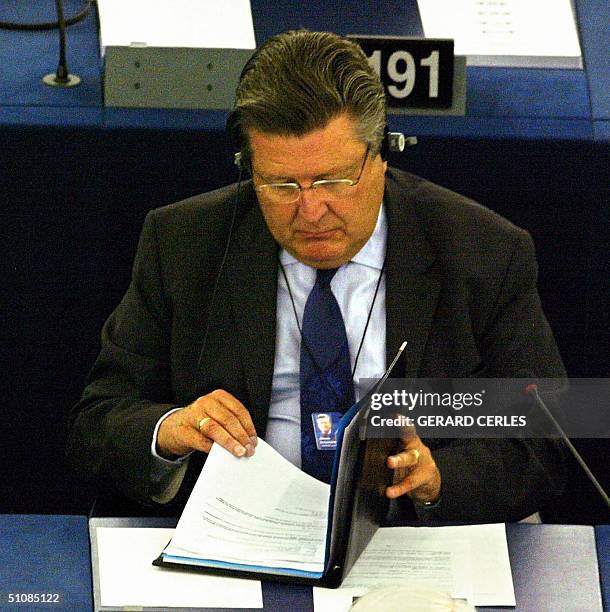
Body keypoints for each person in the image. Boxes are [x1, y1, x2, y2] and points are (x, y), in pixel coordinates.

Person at [67, 30, 566, 521]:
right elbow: (97, 422)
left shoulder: (483, 250)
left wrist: (438, 479)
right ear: (249, 169)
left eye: (333, 180)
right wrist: (169, 429)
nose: (310, 210)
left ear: (382, 155)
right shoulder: (182, 243)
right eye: (281, 184)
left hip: (408, 538)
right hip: (238, 535)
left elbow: (549, 436)